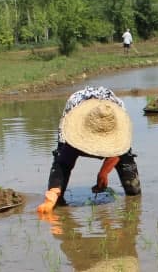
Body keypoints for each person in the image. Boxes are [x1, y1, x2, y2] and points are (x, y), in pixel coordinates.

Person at [37, 87, 140, 217]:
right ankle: (57, 198)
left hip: (110, 114)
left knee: (133, 189)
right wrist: (52, 195)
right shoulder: (71, 125)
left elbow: (120, 149)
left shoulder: (117, 112)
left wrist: (104, 172)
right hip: (79, 111)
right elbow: (63, 164)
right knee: (61, 162)